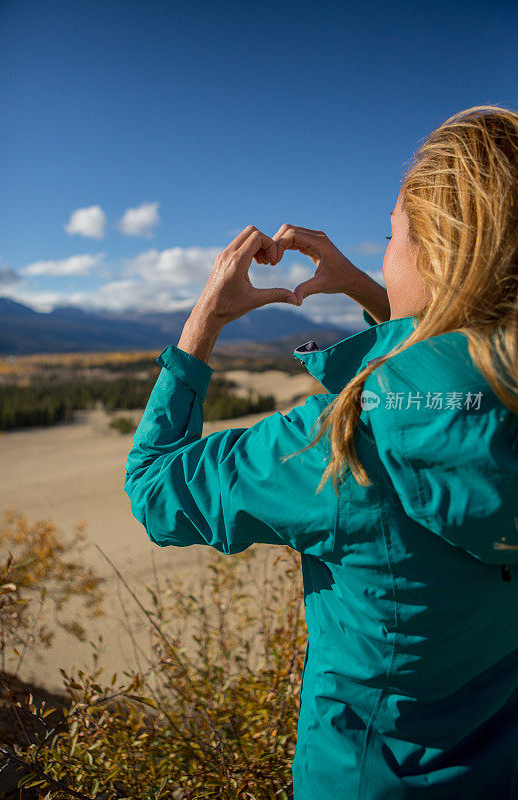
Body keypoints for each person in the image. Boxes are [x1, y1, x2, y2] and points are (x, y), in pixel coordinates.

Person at [124, 105, 518, 799]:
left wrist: (202, 323)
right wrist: (371, 290)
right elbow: (451, 389)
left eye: (393, 234)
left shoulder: (337, 442)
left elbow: (157, 490)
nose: (387, 250)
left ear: (432, 249)